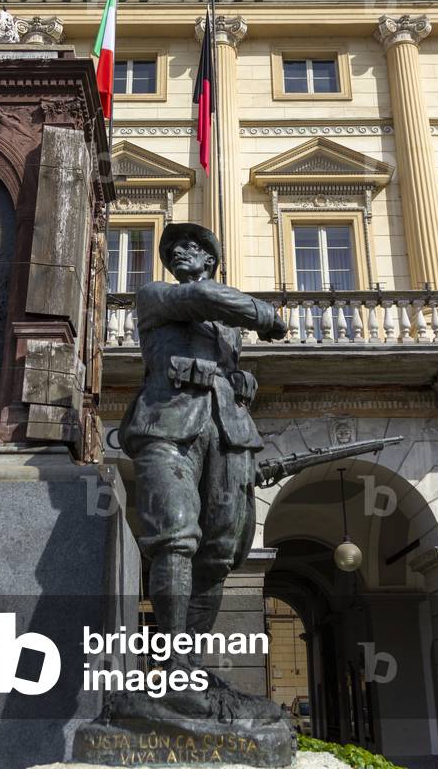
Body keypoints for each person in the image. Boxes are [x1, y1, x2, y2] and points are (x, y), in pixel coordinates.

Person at [118, 223, 287, 665]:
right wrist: (263, 314)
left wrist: (238, 381)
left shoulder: (226, 331)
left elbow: (221, 369)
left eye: (189, 248)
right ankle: (171, 661)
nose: (177, 254)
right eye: (171, 249)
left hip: (227, 432)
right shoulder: (156, 295)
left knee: (220, 551)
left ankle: (187, 662)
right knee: (174, 535)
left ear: (210, 259)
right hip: (166, 423)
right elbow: (203, 298)